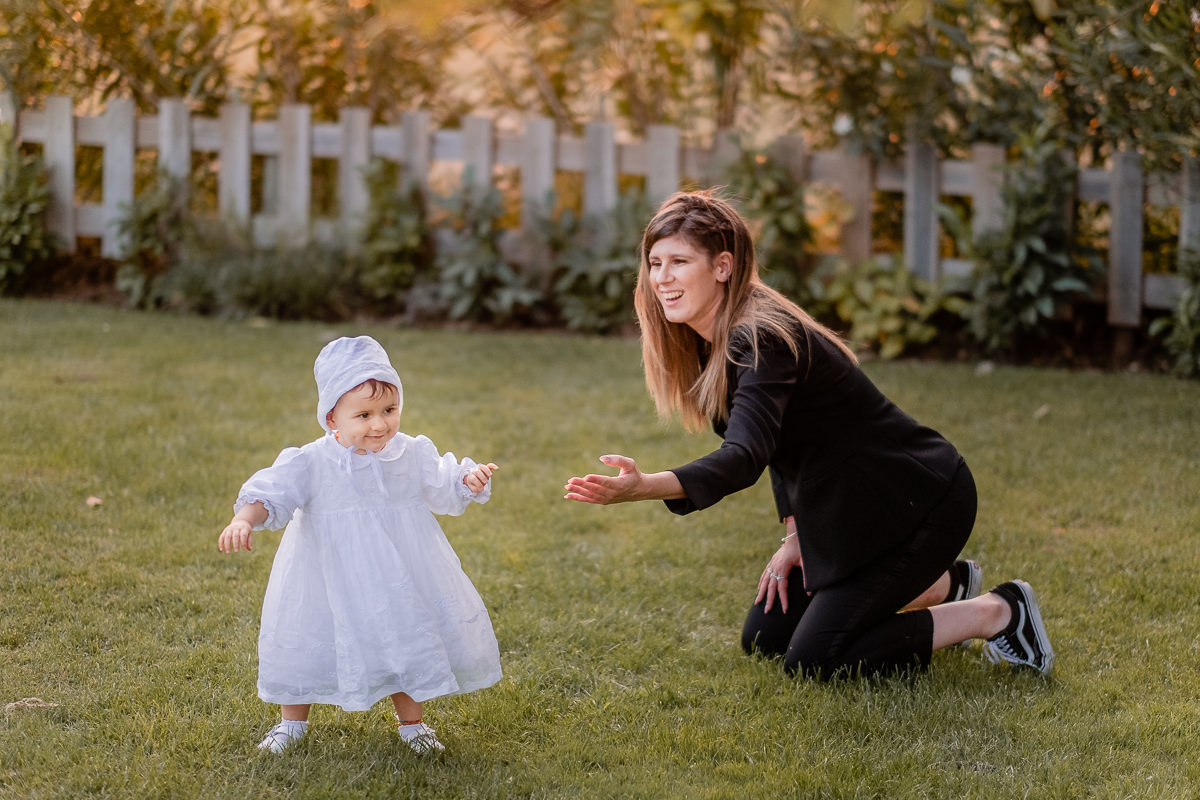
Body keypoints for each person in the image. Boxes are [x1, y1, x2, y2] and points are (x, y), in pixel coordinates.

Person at [564, 190, 1053, 680]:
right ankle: (948, 583)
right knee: (766, 639)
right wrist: (796, 534)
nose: (662, 278)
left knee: (817, 659)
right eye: (654, 262)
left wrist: (645, 485)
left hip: (916, 501)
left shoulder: (760, 339)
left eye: (678, 262)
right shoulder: (708, 336)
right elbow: (779, 444)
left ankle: (999, 611)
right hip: (851, 509)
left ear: (722, 266)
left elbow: (745, 456)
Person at [218, 335, 502, 755]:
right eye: (364, 414)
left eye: (389, 410)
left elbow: (443, 486)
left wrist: (467, 480)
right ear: (332, 417)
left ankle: (412, 724)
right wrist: (245, 518)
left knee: (407, 635)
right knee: (306, 637)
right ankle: (291, 723)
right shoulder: (311, 461)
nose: (380, 424)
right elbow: (272, 494)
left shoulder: (408, 453)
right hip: (327, 575)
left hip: (400, 573)